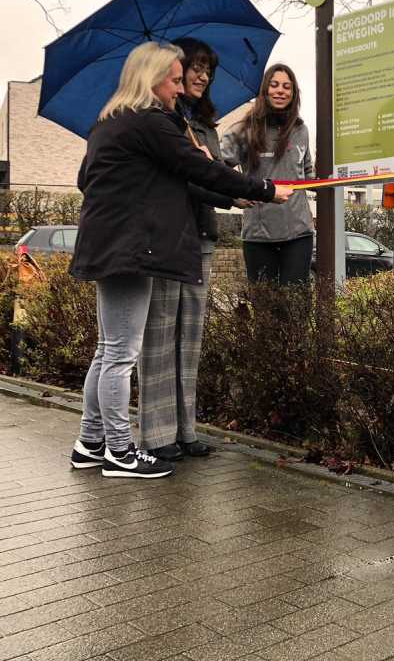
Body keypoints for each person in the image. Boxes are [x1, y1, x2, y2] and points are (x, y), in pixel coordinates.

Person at [69, 41, 292, 479]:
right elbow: (198, 169)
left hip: (109, 246)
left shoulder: (110, 123)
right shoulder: (151, 122)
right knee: (119, 354)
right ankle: (118, 450)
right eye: (173, 79)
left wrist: (216, 184)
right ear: (151, 80)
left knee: (106, 351)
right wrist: (264, 189)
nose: (179, 87)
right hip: (129, 250)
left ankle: (89, 443)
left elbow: (86, 179)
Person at [136, 37, 250, 462]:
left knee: (190, 339)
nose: (202, 76)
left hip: (202, 236)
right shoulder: (158, 120)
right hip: (168, 239)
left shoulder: (204, 125)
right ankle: (156, 433)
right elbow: (182, 177)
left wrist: (228, 184)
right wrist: (226, 190)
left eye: (208, 69)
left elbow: (211, 174)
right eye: (194, 68)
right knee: (160, 336)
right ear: (173, 74)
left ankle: (186, 429)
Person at [221, 64, 314, 285]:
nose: (280, 91)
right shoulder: (244, 129)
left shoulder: (301, 130)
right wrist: (234, 197)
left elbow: (308, 173)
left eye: (286, 87)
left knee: (296, 306)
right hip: (258, 234)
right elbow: (218, 170)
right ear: (264, 91)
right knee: (265, 310)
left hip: (298, 232)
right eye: (274, 85)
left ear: (293, 94)